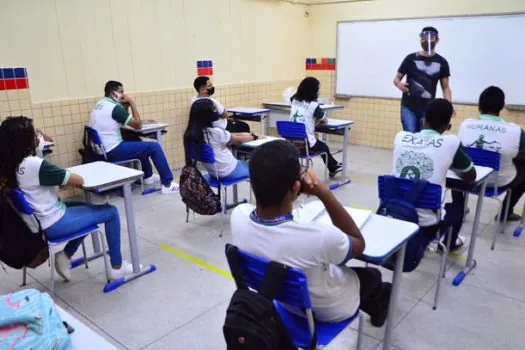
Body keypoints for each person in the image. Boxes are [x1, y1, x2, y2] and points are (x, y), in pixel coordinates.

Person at [231, 139, 392, 326]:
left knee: (330, 267)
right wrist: (324, 193)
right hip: (328, 310)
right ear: (296, 187)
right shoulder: (319, 237)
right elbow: (358, 243)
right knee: (373, 276)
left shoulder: (238, 215)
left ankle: (376, 306)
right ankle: (377, 306)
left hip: (282, 300)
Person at [0, 116, 136, 281]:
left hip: (39, 220)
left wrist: (59, 180)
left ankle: (66, 255)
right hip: (53, 222)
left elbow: (39, 184)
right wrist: (63, 178)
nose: (38, 136)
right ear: (25, 141)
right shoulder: (33, 164)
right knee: (111, 212)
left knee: (88, 207)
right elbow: (78, 180)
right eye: (34, 133)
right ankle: (117, 268)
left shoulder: (8, 165)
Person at [393, 99, 476, 252]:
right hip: (426, 225)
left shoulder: (400, 137)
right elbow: (470, 176)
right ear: (448, 126)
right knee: (458, 206)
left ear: (422, 120)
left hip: (395, 214)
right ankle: (448, 242)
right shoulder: (451, 142)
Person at [90, 80, 179, 194]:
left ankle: (148, 176)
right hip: (112, 149)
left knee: (136, 141)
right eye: (121, 92)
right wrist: (132, 103)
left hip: (102, 149)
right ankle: (167, 184)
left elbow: (122, 121)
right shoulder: (114, 108)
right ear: (113, 94)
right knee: (154, 146)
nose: (124, 95)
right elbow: (138, 125)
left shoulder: (100, 104)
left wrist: (125, 107)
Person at [457, 86, 525, 222]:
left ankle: (458, 208)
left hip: (469, 180)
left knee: (457, 164)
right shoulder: (516, 131)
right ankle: (505, 212)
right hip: (498, 183)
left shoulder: (466, 125)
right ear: (503, 106)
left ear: (479, 106)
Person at [393, 26, 452, 133]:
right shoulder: (410, 58)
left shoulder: (442, 62)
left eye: (431, 38)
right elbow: (396, 79)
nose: (427, 41)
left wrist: (448, 107)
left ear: (437, 40)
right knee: (410, 135)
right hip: (408, 107)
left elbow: (446, 88)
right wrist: (399, 84)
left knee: (424, 138)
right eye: (423, 38)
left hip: (428, 110)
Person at [183, 99, 256, 180]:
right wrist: (254, 137)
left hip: (214, 173)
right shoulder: (215, 132)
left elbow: (230, 135)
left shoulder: (191, 134)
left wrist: (246, 134)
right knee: (258, 167)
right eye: (214, 109)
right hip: (230, 170)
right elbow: (239, 140)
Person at [290, 77, 343, 177]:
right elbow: (325, 120)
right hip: (305, 143)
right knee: (323, 147)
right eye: (317, 89)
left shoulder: (293, 99)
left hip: (291, 142)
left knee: (321, 146)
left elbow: (295, 99)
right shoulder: (314, 105)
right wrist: (317, 120)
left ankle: (334, 165)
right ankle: (333, 167)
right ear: (313, 91)